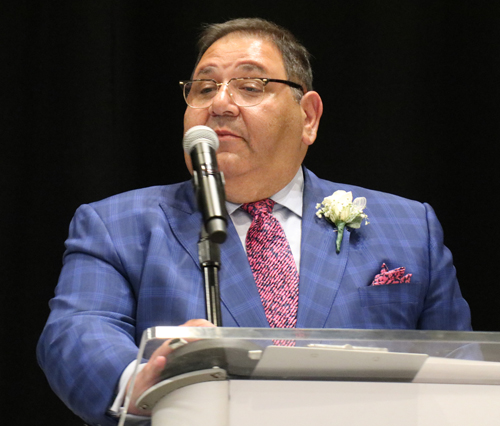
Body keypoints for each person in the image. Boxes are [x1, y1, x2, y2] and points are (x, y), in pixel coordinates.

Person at [37, 18, 471, 426]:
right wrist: (142, 378)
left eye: (250, 85)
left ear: (308, 117)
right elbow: (77, 330)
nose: (220, 103)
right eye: (204, 88)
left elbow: (460, 360)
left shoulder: (409, 226)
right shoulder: (117, 224)